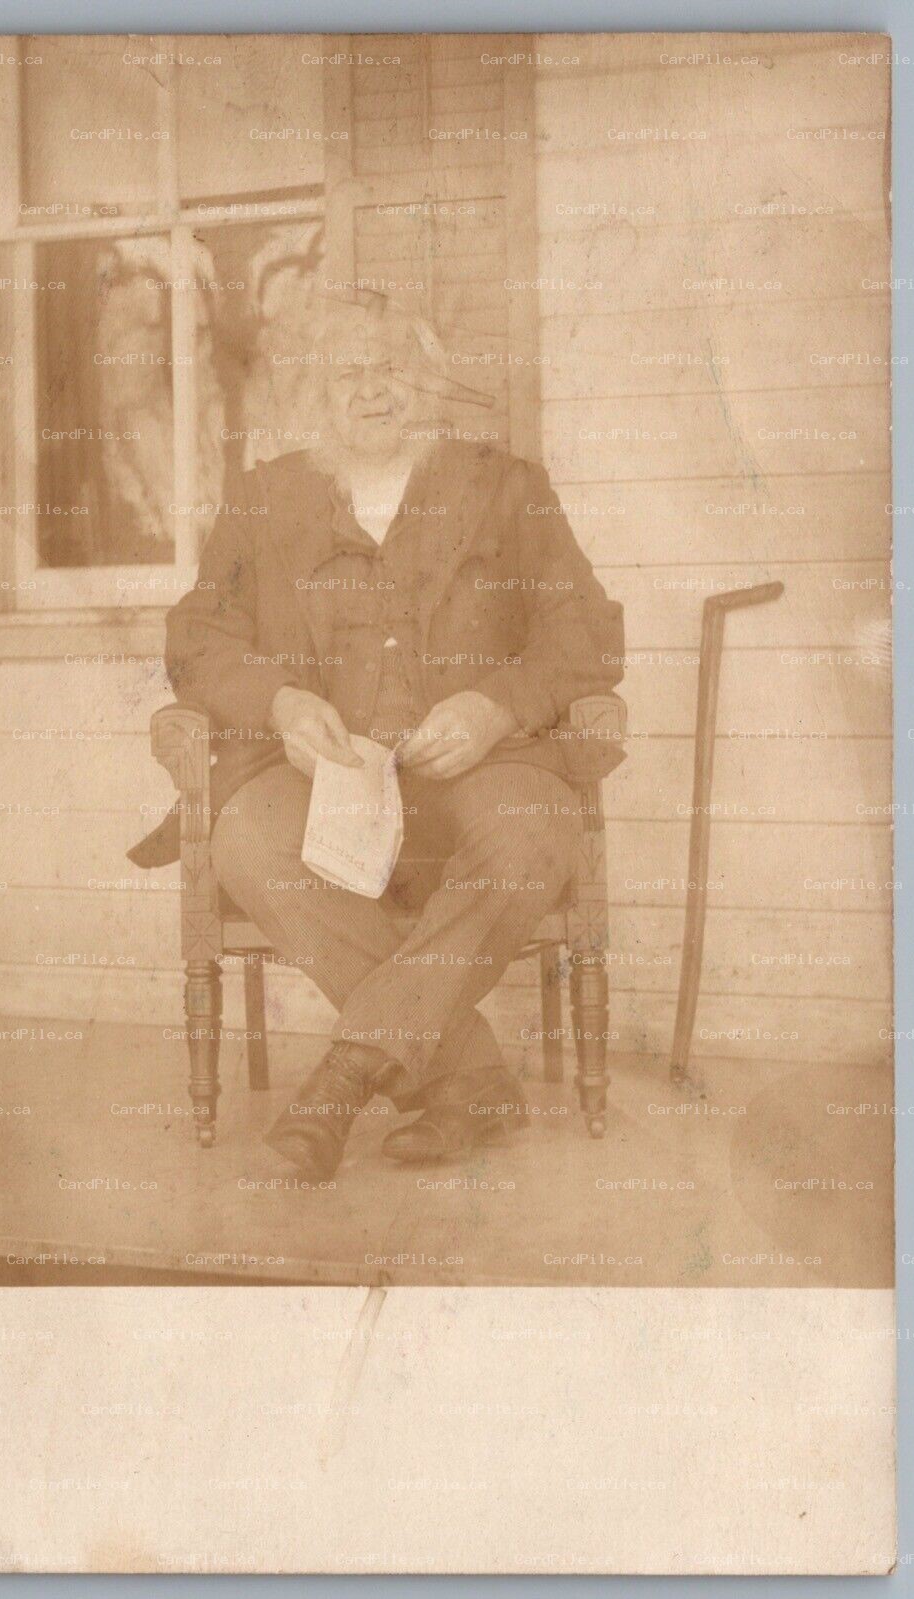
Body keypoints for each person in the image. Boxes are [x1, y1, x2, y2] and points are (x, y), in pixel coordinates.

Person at [137, 297, 624, 1180]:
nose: (371, 390)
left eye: (391, 368)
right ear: (316, 395)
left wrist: (496, 704)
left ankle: (343, 1077)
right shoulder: (265, 498)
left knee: (528, 833)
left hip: (481, 768)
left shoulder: (505, 486)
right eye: (347, 372)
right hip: (331, 782)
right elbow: (196, 637)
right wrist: (281, 702)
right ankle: (467, 1080)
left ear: (427, 383)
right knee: (245, 836)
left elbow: (582, 628)